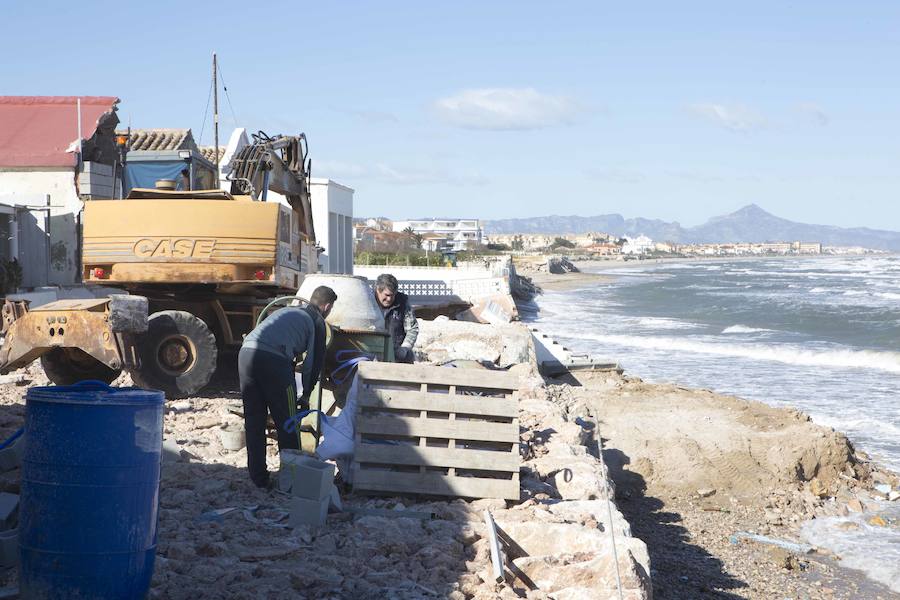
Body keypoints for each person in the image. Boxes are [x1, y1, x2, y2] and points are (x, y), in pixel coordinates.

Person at [238, 285, 337, 488]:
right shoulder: (316, 321)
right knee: (288, 422)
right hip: (274, 359)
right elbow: (313, 363)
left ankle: (259, 479)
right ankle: (290, 481)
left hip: (246, 354)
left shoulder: (288, 310)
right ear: (326, 306)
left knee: (254, 421)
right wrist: (306, 394)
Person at [373, 273, 418, 363]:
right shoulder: (369, 301)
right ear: (378, 290)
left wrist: (405, 348)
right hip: (373, 353)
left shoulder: (402, 302)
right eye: (386, 295)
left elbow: (412, 329)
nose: (389, 299)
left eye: (393, 295)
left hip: (397, 354)